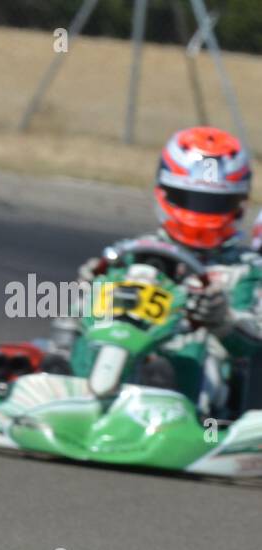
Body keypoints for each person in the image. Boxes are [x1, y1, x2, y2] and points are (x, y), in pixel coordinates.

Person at [51, 126, 262, 409]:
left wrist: (222, 320)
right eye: (188, 199)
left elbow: (256, 344)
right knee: (102, 314)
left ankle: (157, 394)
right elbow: (73, 323)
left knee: (179, 362)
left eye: (213, 203)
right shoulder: (129, 255)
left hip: (206, 404)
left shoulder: (247, 270)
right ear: (165, 192)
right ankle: (62, 385)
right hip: (124, 353)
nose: (199, 213)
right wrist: (92, 286)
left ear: (237, 204)